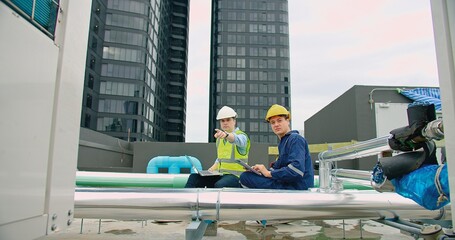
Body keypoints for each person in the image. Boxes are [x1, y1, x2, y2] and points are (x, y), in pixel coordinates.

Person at [240, 104, 314, 190]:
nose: (276, 124)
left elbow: (296, 170)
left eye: (279, 121)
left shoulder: (295, 139)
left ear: (288, 121)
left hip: (297, 186)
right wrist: (260, 170)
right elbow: (276, 168)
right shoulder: (284, 142)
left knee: (246, 178)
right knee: (249, 175)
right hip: (288, 183)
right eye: (273, 122)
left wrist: (269, 173)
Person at [185, 106, 250, 188]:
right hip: (220, 174)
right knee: (194, 178)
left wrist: (226, 135)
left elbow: (238, 140)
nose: (225, 123)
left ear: (234, 121)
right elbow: (220, 159)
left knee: (220, 185)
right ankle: (188, 199)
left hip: (237, 177)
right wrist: (210, 170)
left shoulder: (242, 136)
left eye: (228, 120)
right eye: (222, 121)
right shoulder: (220, 139)